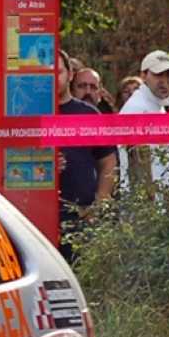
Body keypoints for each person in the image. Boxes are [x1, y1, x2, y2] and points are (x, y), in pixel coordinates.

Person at [57, 51, 115, 260]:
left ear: (70, 74)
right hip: (40, 218)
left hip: (81, 217)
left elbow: (108, 161)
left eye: (58, 71)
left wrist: (99, 205)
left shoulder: (88, 114)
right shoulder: (28, 114)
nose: (53, 77)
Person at [119, 49, 169, 195]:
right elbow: (137, 167)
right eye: (158, 75)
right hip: (147, 206)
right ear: (143, 76)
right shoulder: (138, 109)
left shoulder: (157, 105)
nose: (164, 81)